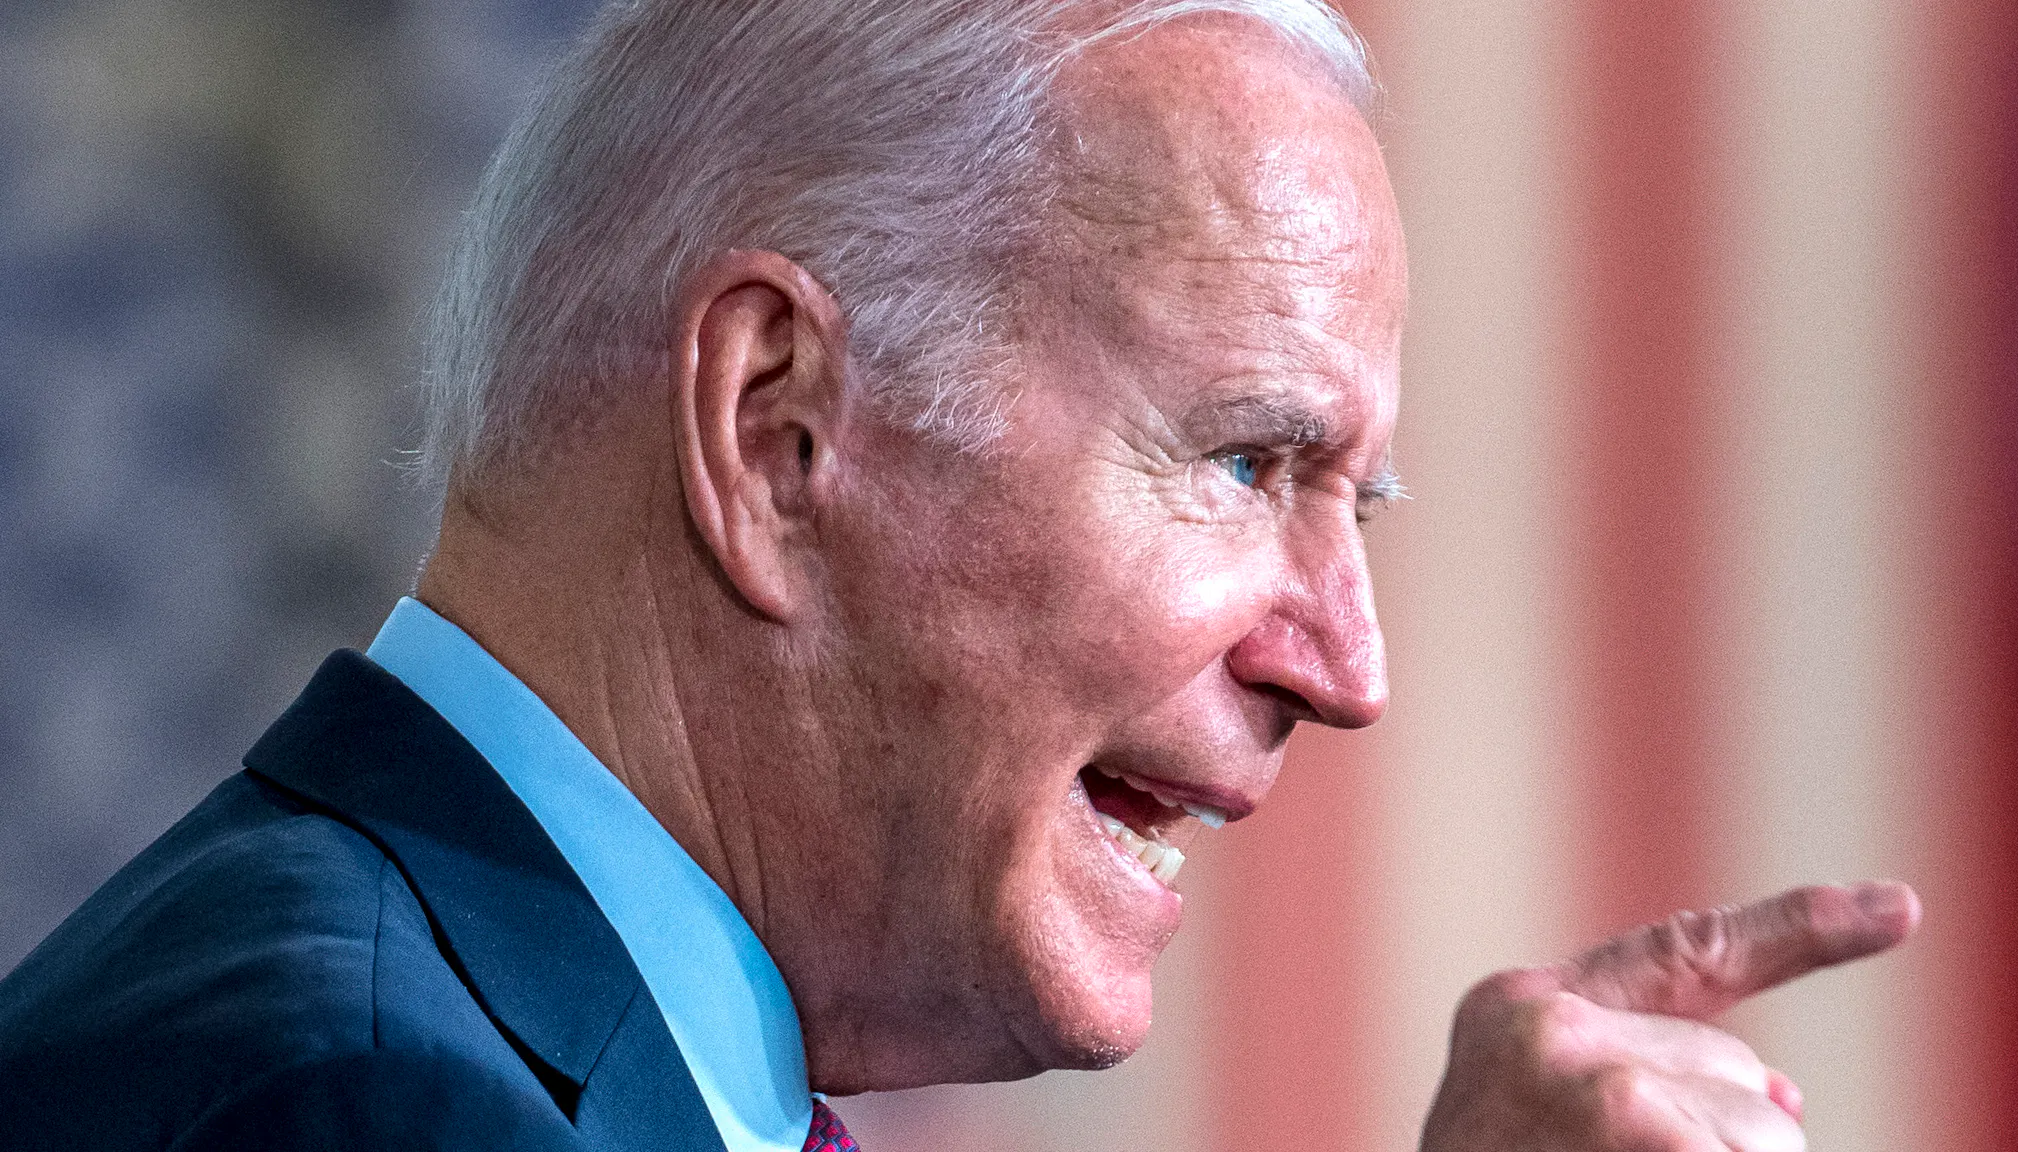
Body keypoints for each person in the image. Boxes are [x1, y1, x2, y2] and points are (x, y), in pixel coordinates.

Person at [0, 2, 1919, 1150]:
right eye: (1248, 462)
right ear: (778, 428)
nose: (1346, 666)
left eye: (1362, 504)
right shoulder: (361, 1102)